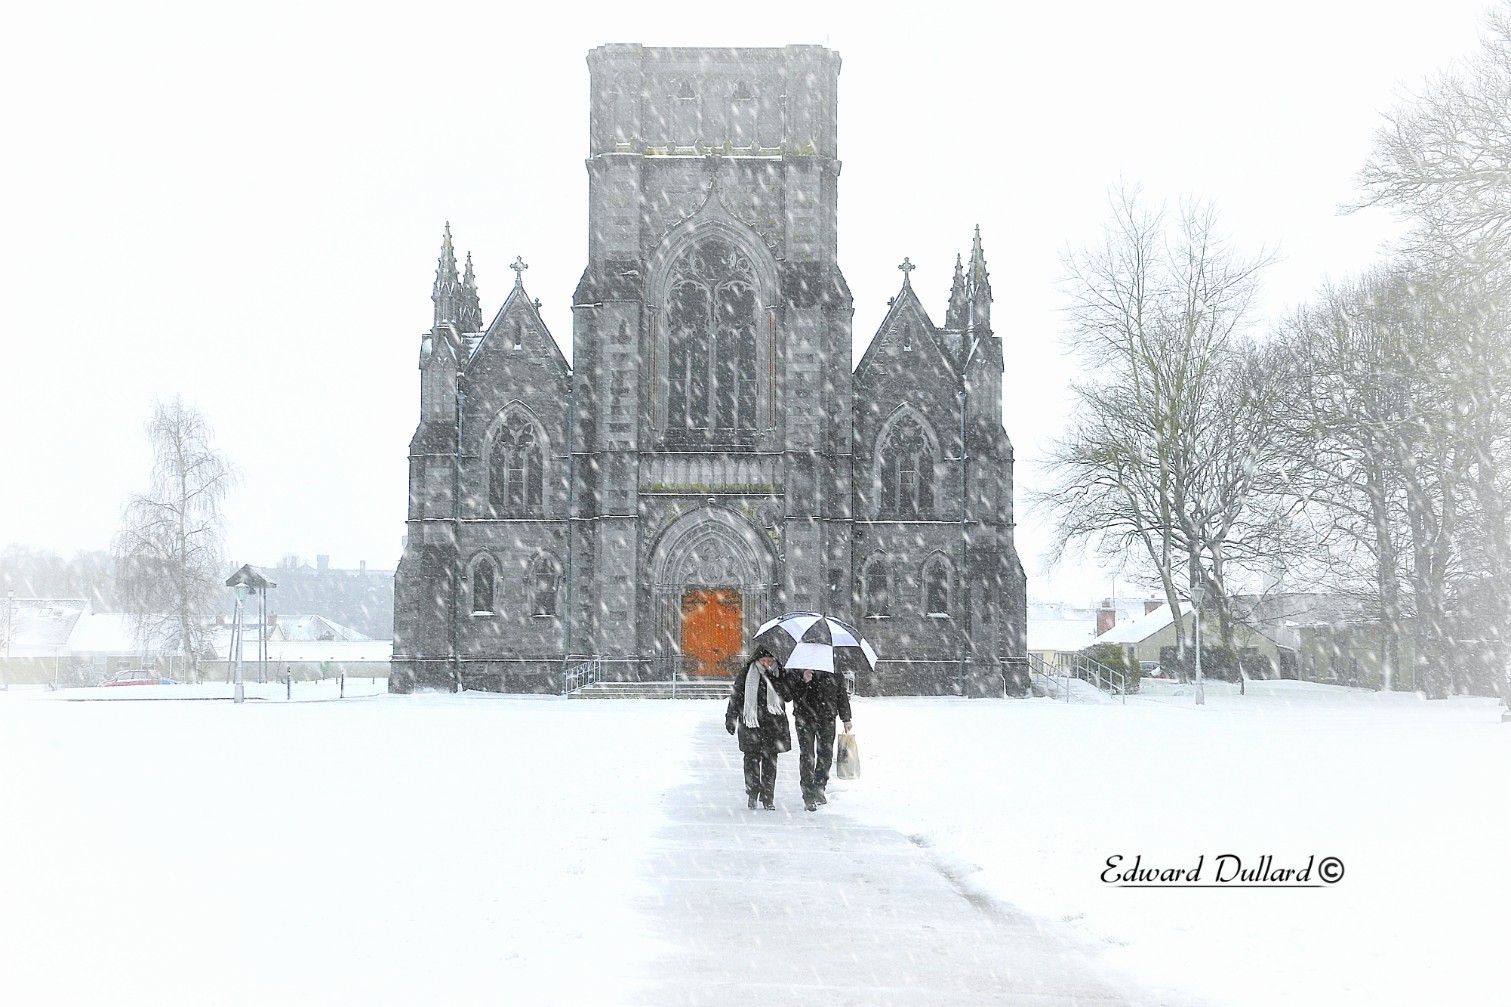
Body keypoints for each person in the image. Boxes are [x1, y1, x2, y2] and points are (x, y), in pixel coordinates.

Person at [724, 651, 793, 810]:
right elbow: (736, 696)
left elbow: (788, 696)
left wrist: (777, 679)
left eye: (770, 660)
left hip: (773, 725)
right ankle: (752, 793)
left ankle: (768, 797)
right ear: (757, 659)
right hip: (751, 724)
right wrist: (731, 717)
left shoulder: (780, 673)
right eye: (764, 660)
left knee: (770, 763)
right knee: (751, 761)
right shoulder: (747, 673)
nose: (767, 663)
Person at [788, 666, 853, 811]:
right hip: (804, 717)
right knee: (807, 755)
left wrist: (846, 718)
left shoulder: (834, 670)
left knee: (826, 754)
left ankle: (819, 787)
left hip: (827, 717)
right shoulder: (799, 668)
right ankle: (808, 794)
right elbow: (790, 694)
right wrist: (803, 681)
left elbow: (841, 695)